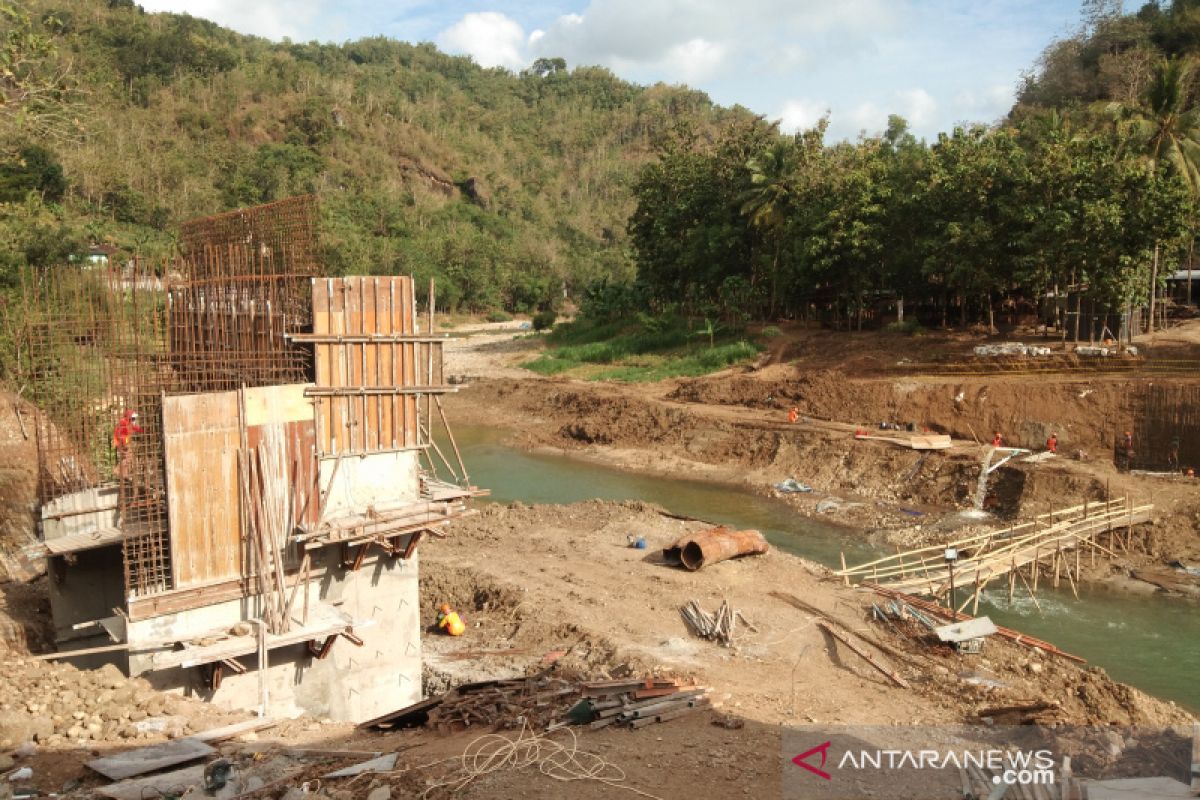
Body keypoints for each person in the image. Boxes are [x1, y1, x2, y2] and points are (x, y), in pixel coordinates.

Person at [112, 409, 142, 479]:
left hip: (123, 443)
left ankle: (124, 475)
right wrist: (126, 444)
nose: (134, 420)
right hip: (122, 443)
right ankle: (117, 470)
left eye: (134, 418)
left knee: (127, 458)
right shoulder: (124, 423)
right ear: (129, 418)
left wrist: (142, 430)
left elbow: (135, 428)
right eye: (133, 418)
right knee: (129, 458)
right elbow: (122, 436)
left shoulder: (127, 423)